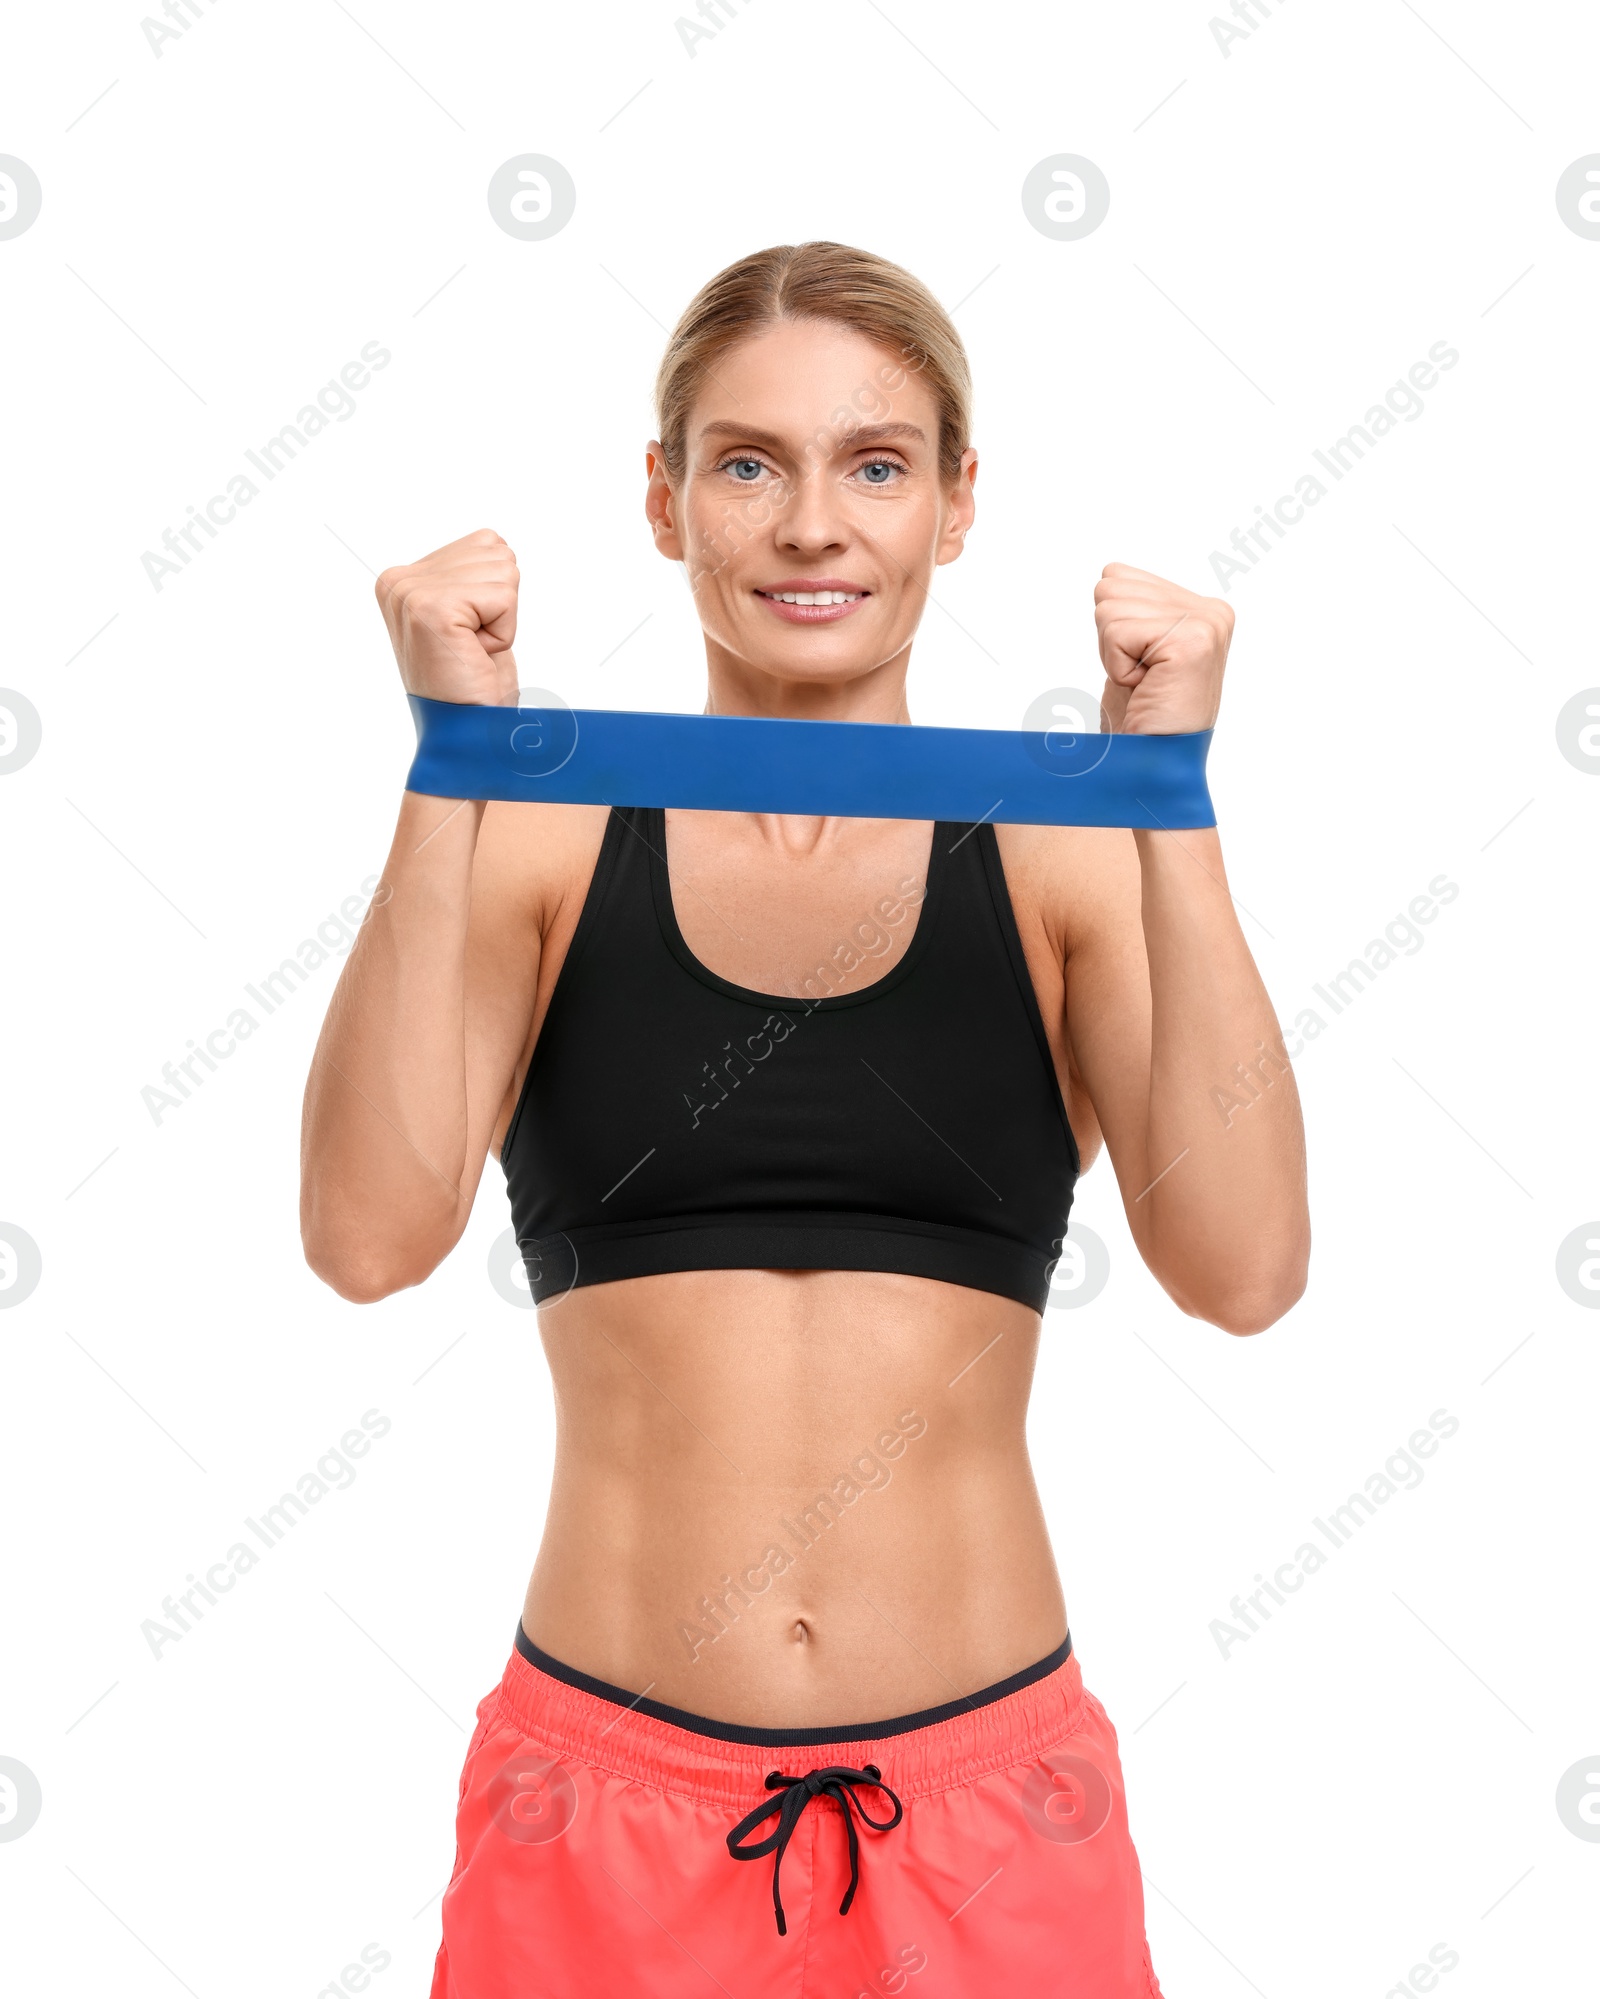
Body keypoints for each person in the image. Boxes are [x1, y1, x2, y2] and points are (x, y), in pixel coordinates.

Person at [300, 240, 1309, 1997]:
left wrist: (1171, 797)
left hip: (991, 1824)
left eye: (876, 464)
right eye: (747, 462)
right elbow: (367, 1240)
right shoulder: (541, 842)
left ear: (956, 502)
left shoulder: (1062, 856)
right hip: (601, 1811)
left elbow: (1246, 1269)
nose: (812, 525)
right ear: (665, 499)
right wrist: (452, 766)